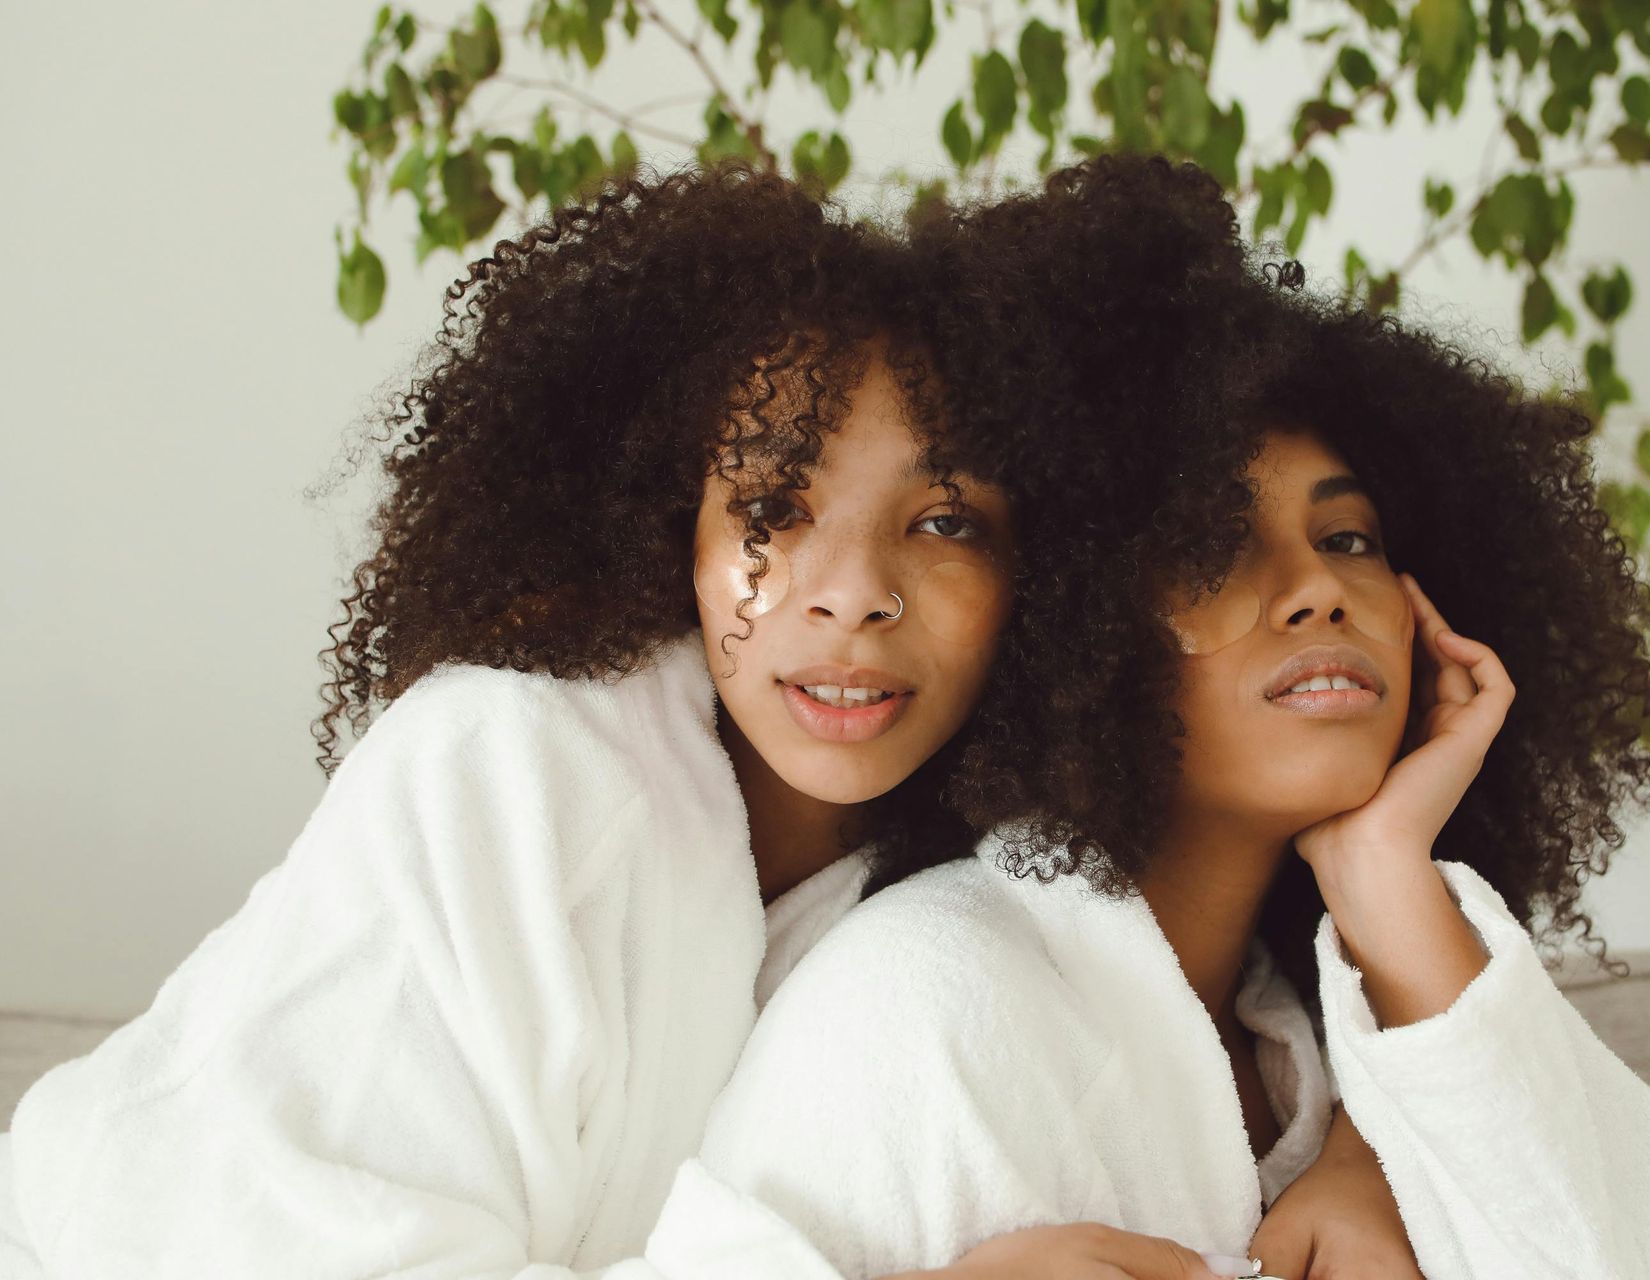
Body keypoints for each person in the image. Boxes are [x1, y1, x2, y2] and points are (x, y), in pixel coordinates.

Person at [0, 164, 1259, 1280]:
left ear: (1049, 579)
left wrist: (1364, 1151)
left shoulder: (960, 868)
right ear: (675, 533)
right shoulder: (505, 766)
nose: (852, 591)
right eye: (771, 506)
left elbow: (1223, 1027)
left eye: (944, 522)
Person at [640, 156, 1650, 1279]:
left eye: (1350, 540)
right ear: (1078, 625)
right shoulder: (924, 1007)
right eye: (1214, 548)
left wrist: (1383, 874)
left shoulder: (1337, 1041)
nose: (1320, 589)